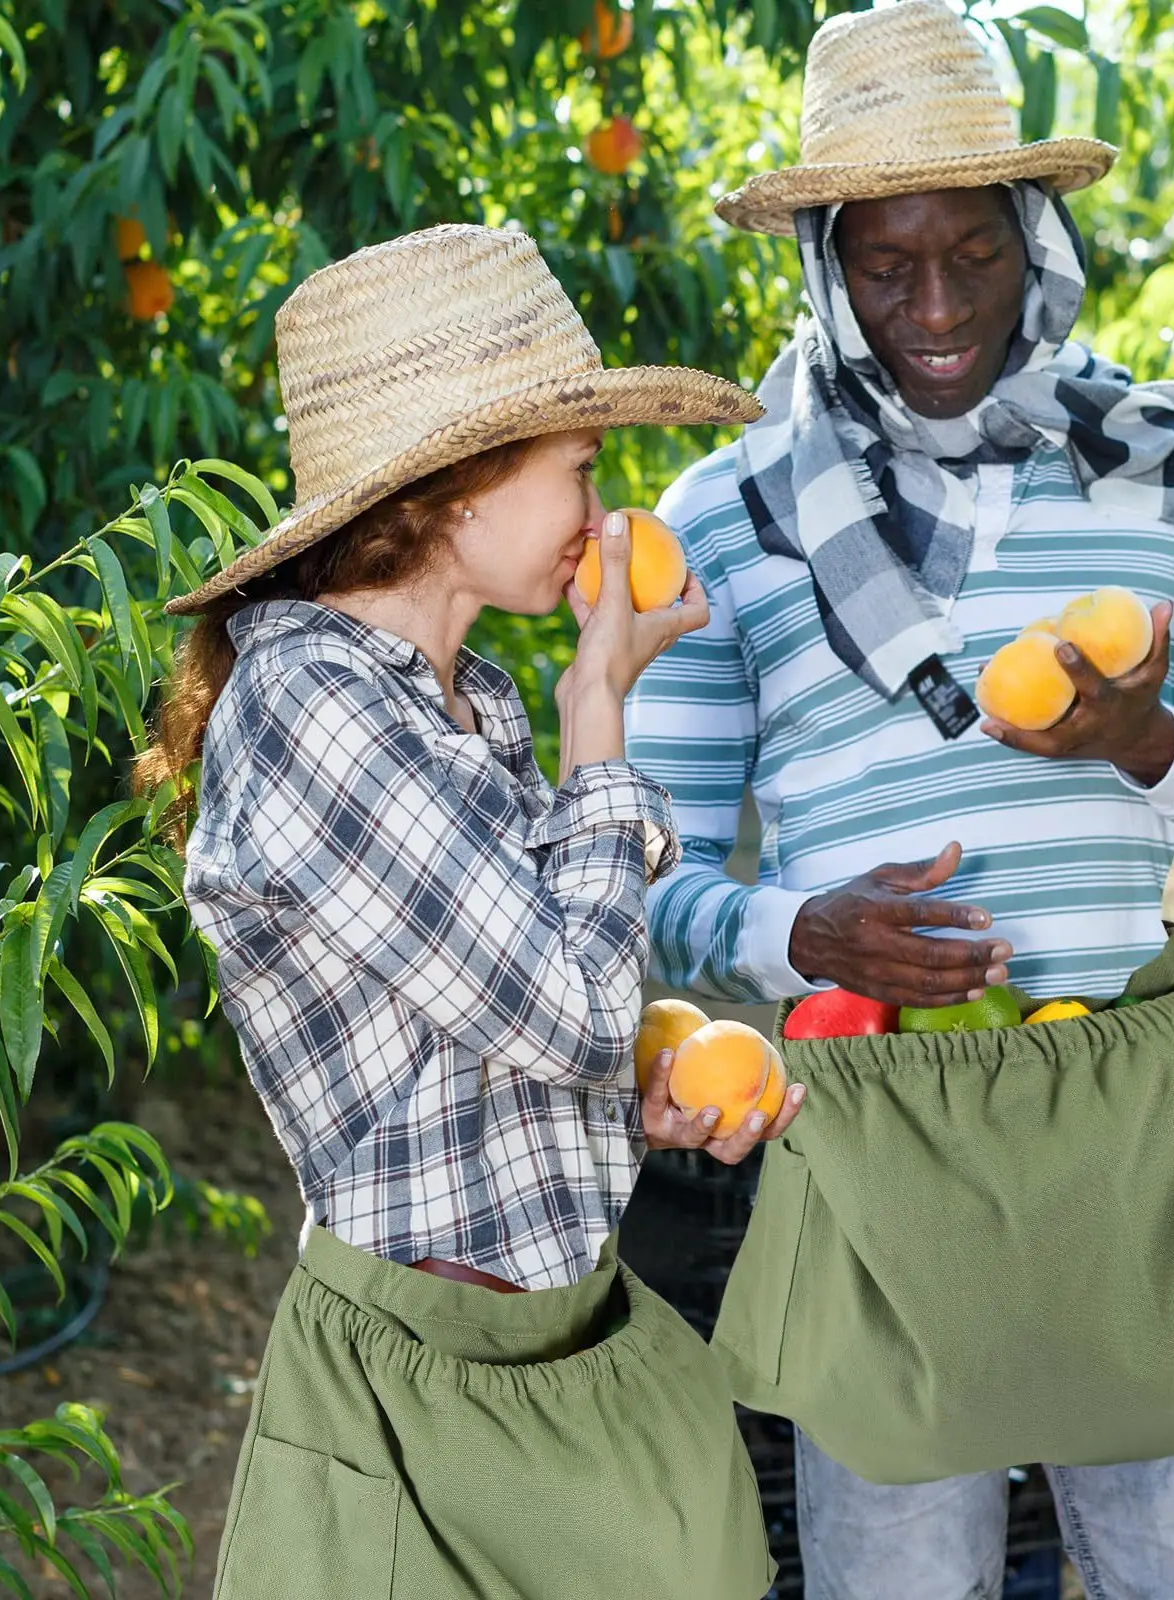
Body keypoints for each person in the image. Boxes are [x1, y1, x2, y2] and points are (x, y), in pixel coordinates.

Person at [625, 4, 1174, 1598]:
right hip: (872, 1132)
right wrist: (802, 933)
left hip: (1133, 1130)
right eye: (885, 267)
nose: (936, 306)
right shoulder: (728, 512)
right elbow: (637, 877)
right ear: (823, 262)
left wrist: (1151, 745)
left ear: (1037, 233)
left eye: (973, 250)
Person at [138, 223, 800, 1600]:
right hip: (420, 1389)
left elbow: (494, 1041)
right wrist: (600, 711)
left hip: (565, 1337)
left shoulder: (471, 699)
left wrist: (636, 1097)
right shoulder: (310, 704)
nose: (600, 509)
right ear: (455, 486)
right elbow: (563, 1007)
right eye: (578, 469)